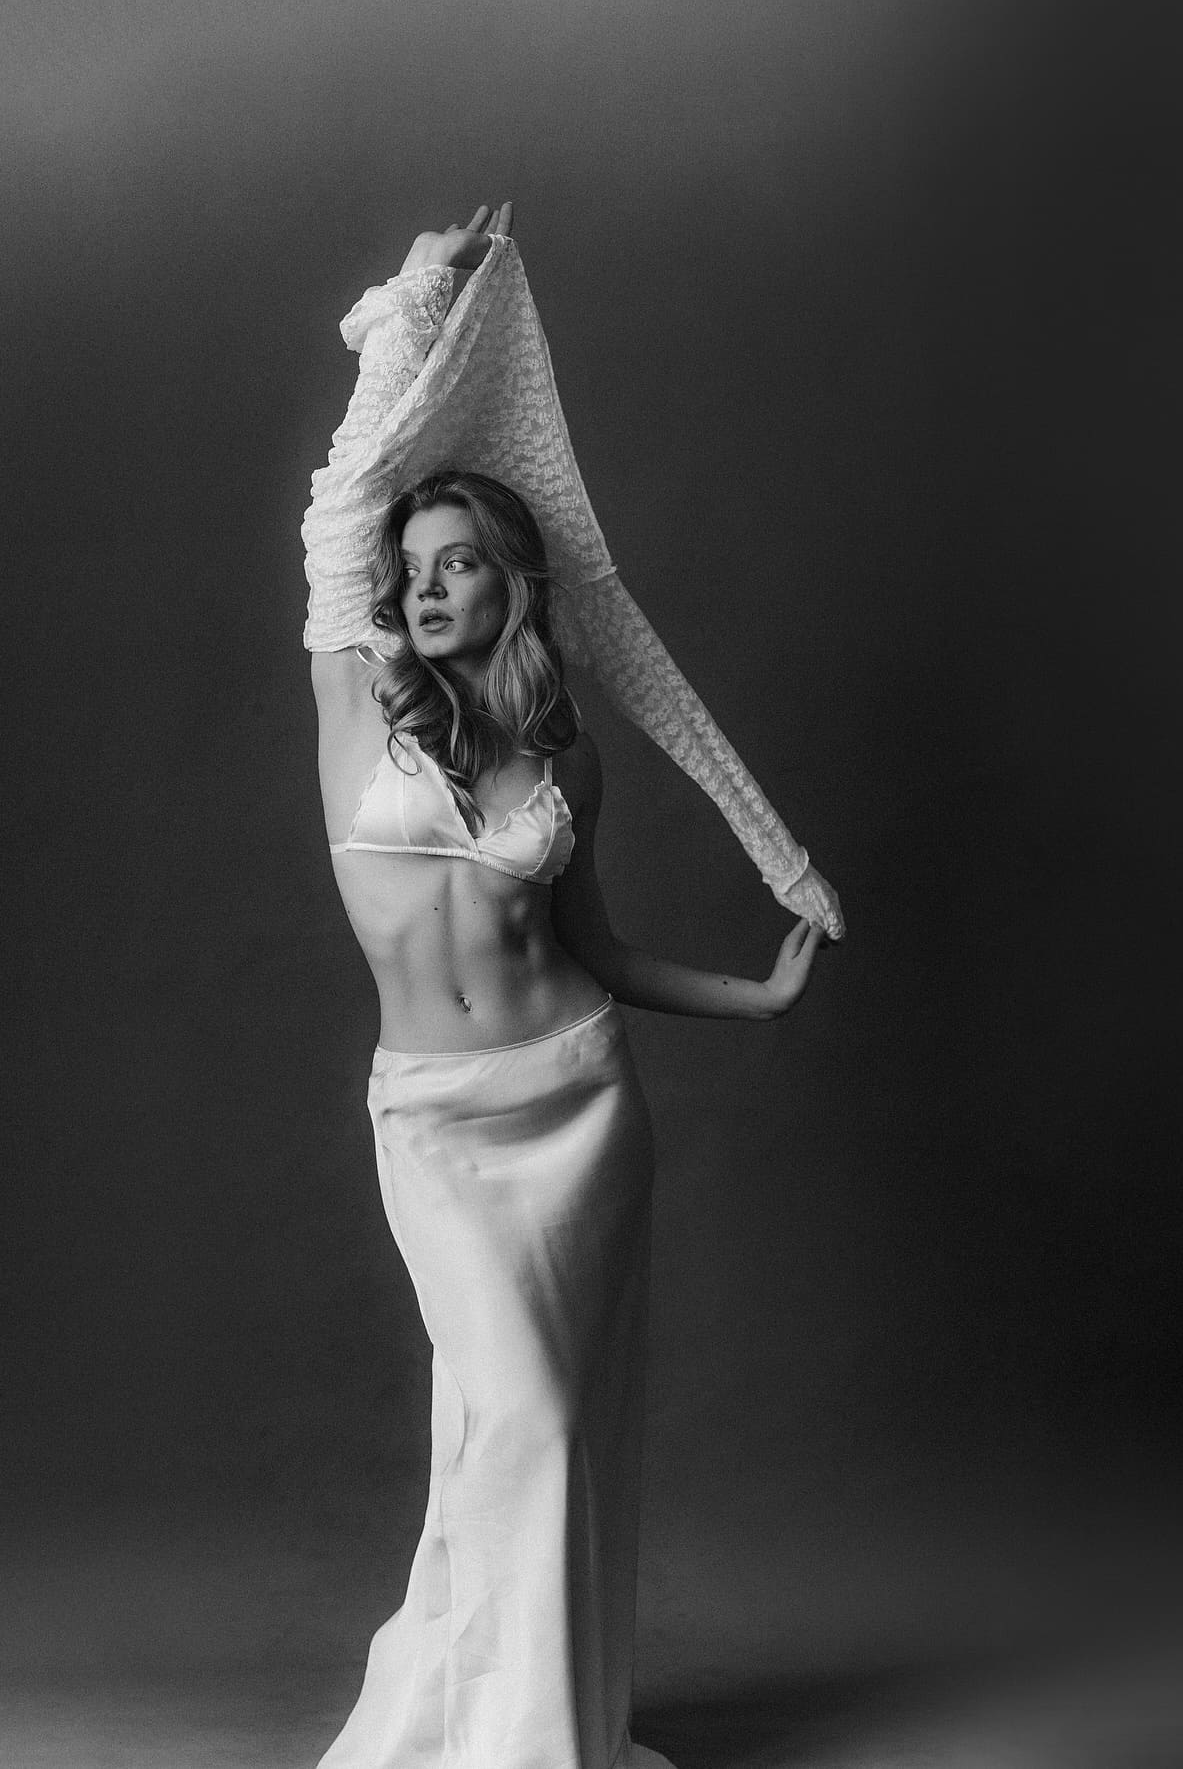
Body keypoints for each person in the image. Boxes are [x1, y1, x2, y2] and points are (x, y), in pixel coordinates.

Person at [303, 203, 840, 1769]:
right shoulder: (357, 706)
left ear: (513, 588)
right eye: (413, 569)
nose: (424, 588)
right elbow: (341, 507)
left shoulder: (565, 760)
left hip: (583, 1109)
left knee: (546, 1433)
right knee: (516, 1418)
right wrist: (418, 306)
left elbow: (590, 949)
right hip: (439, 1128)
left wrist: (753, 997)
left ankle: (523, 1730)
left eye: (459, 564)